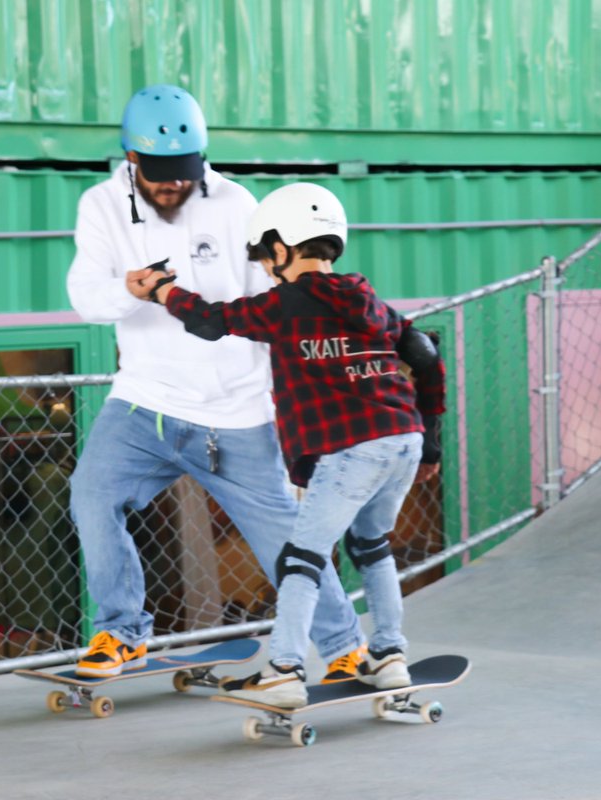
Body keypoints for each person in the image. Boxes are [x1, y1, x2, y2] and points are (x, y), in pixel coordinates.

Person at [66, 84, 368, 679]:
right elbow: (84, 298)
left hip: (236, 412)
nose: (173, 184)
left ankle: (344, 648)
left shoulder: (236, 205)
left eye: (184, 172)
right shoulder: (101, 206)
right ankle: (120, 633)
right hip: (143, 404)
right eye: (158, 174)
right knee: (91, 497)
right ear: (132, 161)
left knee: (284, 538)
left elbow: (273, 303)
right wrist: (127, 289)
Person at [144, 181, 446, 707]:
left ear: (283, 248)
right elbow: (423, 352)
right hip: (404, 438)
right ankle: (391, 657)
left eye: (266, 257)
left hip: (352, 448)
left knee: (302, 558)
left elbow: (211, 321)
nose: (264, 267)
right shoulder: (369, 300)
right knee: (372, 548)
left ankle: (284, 668)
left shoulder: (284, 304)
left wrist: (161, 291)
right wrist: (433, 443)